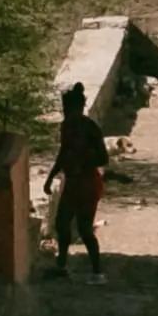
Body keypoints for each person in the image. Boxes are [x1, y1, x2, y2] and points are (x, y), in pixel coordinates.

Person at [49, 82, 108, 271]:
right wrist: (51, 176)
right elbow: (63, 152)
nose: (66, 111)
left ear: (78, 107)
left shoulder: (89, 128)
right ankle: (61, 265)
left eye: (68, 107)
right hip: (73, 182)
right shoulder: (67, 126)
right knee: (62, 223)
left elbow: (103, 158)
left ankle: (97, 270)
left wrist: (82, 163)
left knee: (84, 229)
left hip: (87, 182)